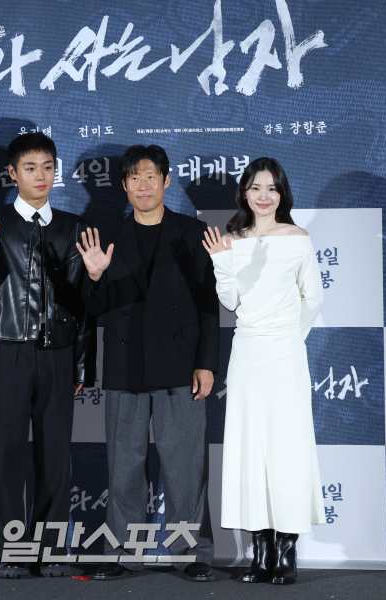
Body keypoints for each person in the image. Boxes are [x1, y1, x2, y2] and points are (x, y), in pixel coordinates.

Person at [0, 132, 96, 578]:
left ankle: (50, 548)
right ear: (12, 173)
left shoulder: (74, 228)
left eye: (48, 167)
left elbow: (83, 305)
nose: (41, 176)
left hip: (57, 354)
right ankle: (12, 549)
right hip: (6, 351)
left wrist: (81, 362)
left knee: (55, 456)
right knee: (6, 454)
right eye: (30, 168)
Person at [76, 145, 219, 581]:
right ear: (123, 185)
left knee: (184, 465)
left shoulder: (193, 233)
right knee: (124, 467)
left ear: (166, 180)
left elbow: (208, 304)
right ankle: (123, 553)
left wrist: (206, 362)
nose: (143, 185)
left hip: (181, 363)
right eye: (135, 177)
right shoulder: (107, 236)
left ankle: (190, 553)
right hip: (126, 364)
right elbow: (93, 308)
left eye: (151, 176)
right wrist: (95, 276)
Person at [202, 157, 325, 585]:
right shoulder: (231, 240)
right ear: (245, 193)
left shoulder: (298, 238)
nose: (264, 196)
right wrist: (222, 262)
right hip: (248, 352)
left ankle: (287, 552)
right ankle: (261, 551)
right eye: (256, 187)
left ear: (282, 193)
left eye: (272, 188)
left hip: (286, 352)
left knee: (288, 448)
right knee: (249, 448)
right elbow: (231, 301)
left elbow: (313, 298)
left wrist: (288, 337)